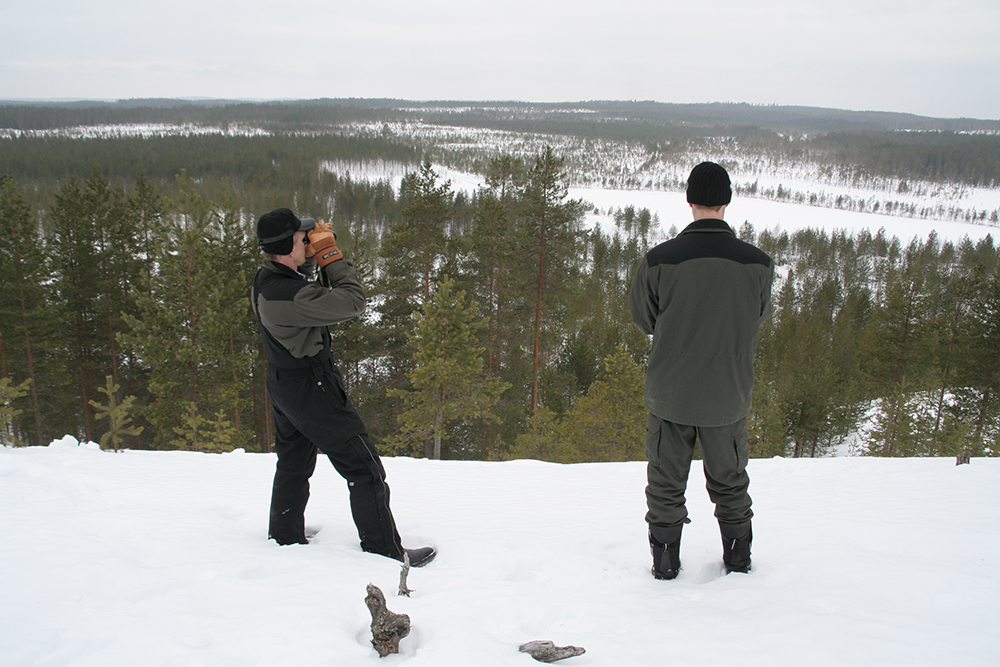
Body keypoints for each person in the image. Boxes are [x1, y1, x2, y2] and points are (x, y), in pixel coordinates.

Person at [252, 207, 435, 567]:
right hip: (311, 386)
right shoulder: (288, 295)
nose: (308, 241)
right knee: (363, 468)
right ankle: (385, 550)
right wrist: (330, 255)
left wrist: (313, 254)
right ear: (290, 245)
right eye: (302, 238)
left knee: (293, 461)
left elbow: (302, 284)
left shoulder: (268, 279)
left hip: (284, 383)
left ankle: (285, 535)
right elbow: (353, 302)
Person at [628, 162, 773, 579]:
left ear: (689, 199)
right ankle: (738, 559)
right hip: (727, 393)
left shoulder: (660, 260)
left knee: (665, 483)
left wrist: (679, 334)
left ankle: (665, 564)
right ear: (726, 201)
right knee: (730, 481)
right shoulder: (757, 264)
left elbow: (644, 317)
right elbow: (757, 316)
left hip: (671, 391)